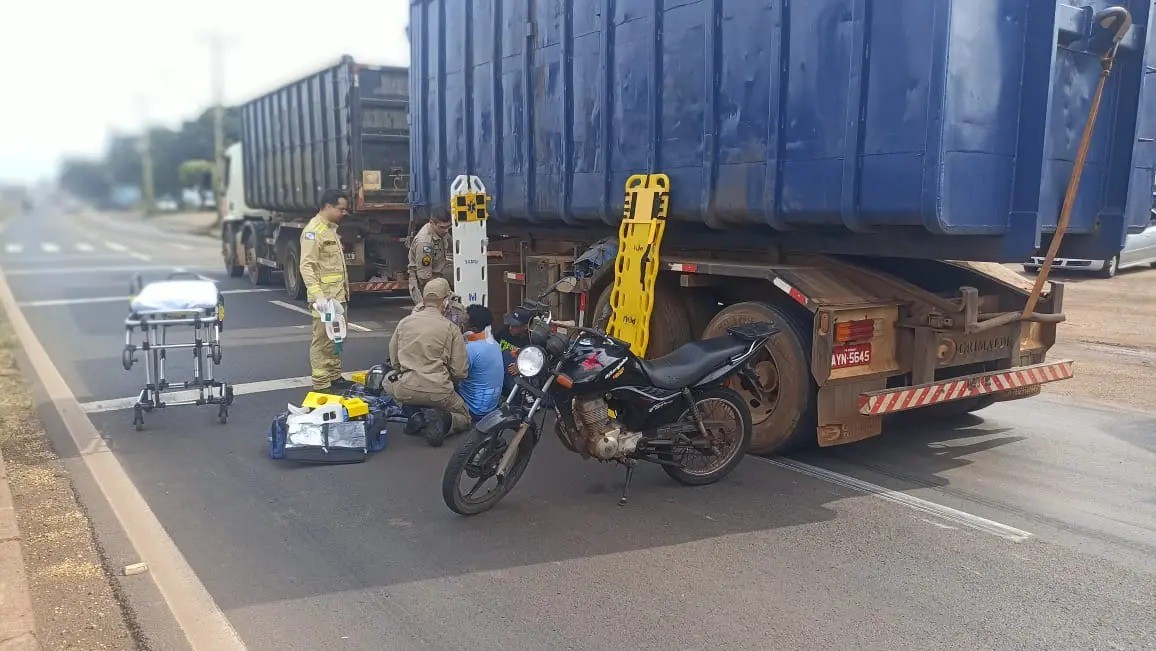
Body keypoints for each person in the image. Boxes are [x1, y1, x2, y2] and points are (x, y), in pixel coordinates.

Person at [386, 278, 471, 446]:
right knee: (465, 417)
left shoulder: (404, 322)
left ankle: (414, 415)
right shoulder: (451, 328)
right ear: (446, 302)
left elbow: (394, 360)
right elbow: (460, 371)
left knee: (387, 380)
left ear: (423, 299)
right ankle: (443, 420)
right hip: (439, 391)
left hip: (407, 389)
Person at [299, 189, 353, 393]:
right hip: (325, 300)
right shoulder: (314, 231)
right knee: (322, 341)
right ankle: (321, 384)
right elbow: (306, 266)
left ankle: (334, 376)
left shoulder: (331, 229)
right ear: (328, 206)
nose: (344, 213)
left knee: (336, 338)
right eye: (341, 209)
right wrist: (318, 296)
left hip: (338, 297)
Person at [458, 304, 506, 421]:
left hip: (475, 410)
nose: (461, 326)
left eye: (463, 323)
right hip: (491, 407)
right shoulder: (493, 343)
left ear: (473, 329)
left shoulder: (471, 349)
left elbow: (456, 375)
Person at [407, 213, 453, 306]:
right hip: (424, 284)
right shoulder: (425, 243)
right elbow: (424, 276)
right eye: (442, 227)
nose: (446, 230)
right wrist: (443, 290)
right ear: (432, 223)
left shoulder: (441, 232)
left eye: (448, 226)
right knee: (429, 313)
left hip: (437, 277)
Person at [494, 306, 533, 390]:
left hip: (514, 379)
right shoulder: (503, 331)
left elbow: (535, 364)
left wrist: (521, 368)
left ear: (526, 326)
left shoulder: (530, 341)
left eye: (515, 326)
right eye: (510, 324)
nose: (511, 328)